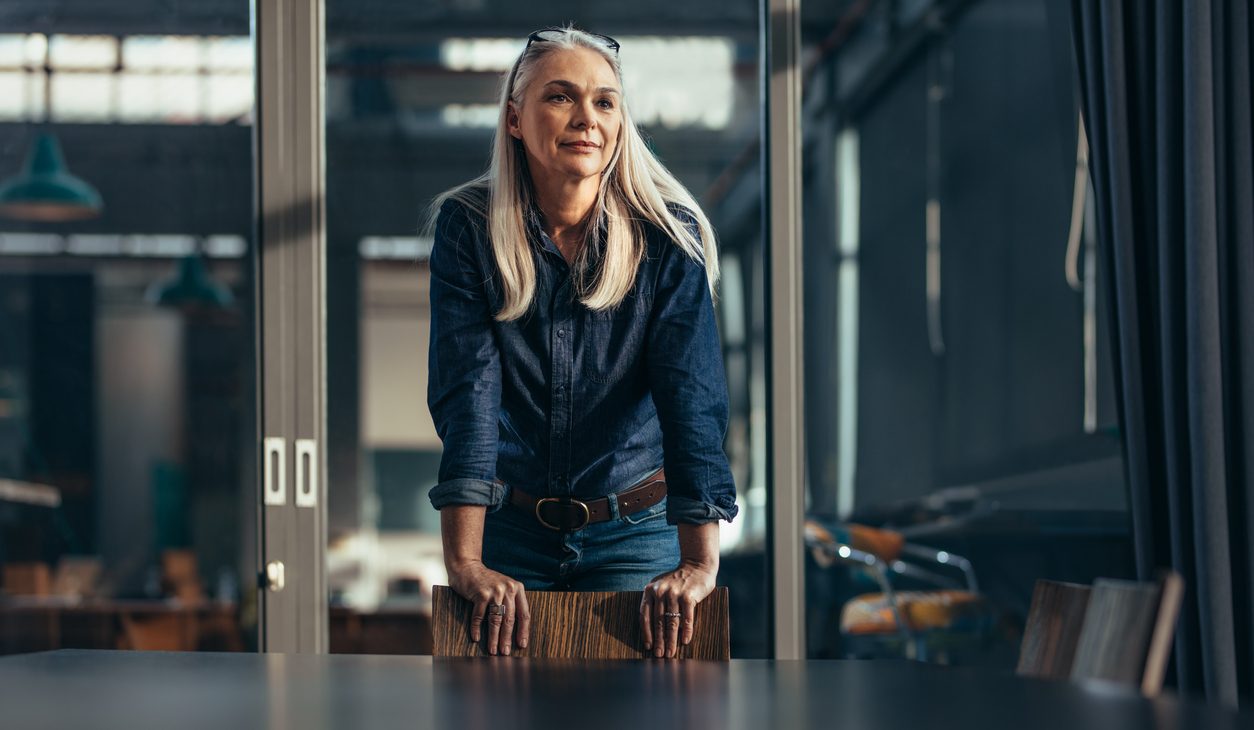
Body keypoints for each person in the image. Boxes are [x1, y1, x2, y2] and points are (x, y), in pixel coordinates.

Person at [426, 25, 737, 660]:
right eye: (560, 97)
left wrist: (699, 563)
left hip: (635, 537)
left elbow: (692, 400)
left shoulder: (668, 240)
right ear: (515, 118)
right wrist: (464, 560)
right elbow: (470, 397)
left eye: (604, 101)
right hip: (510, 536)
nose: (585, 119)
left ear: (621, 122)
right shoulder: (469, 228)